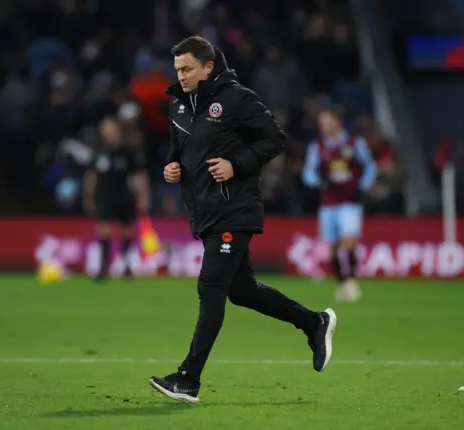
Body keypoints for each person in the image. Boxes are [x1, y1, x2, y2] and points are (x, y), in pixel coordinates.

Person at [149, 36, 337, 404]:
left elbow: (275, 139)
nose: (182, 76)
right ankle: (314, 322)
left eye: (187, 69)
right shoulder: (178, 105)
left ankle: (188, 378)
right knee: (242, 290)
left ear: (208, 66)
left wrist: (237, 164)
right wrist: (172, 168)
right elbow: (179, 151)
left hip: (235, 209)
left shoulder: (237, 98)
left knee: (211, 287)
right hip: (204, 211)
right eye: (177, 70)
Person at [302, 106, 377, 301]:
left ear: (337, 121)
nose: (323, 126)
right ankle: (342, 282)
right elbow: (308, 173)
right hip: (328, 202)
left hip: (350, 201)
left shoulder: (355, 143)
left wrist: (363, 185)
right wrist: (319, 181)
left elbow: (370, 166)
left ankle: (352, 280)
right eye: (321, 123)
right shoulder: (317, 146)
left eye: (326, 121)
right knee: (333, 247)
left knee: (349, 241)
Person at [83, 117, 150, 280]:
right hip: (104, 195)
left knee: (127, 230)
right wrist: (88, 197)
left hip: (124, 194)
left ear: (117, 130)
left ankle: (127, 266)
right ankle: (104, 268)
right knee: (104, 229)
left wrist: (143, 197)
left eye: (110, 129)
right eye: (105, 130)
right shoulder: (99, 153)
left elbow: (140, 175)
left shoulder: (128, 152)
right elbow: (91, 176)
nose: (108, 133)